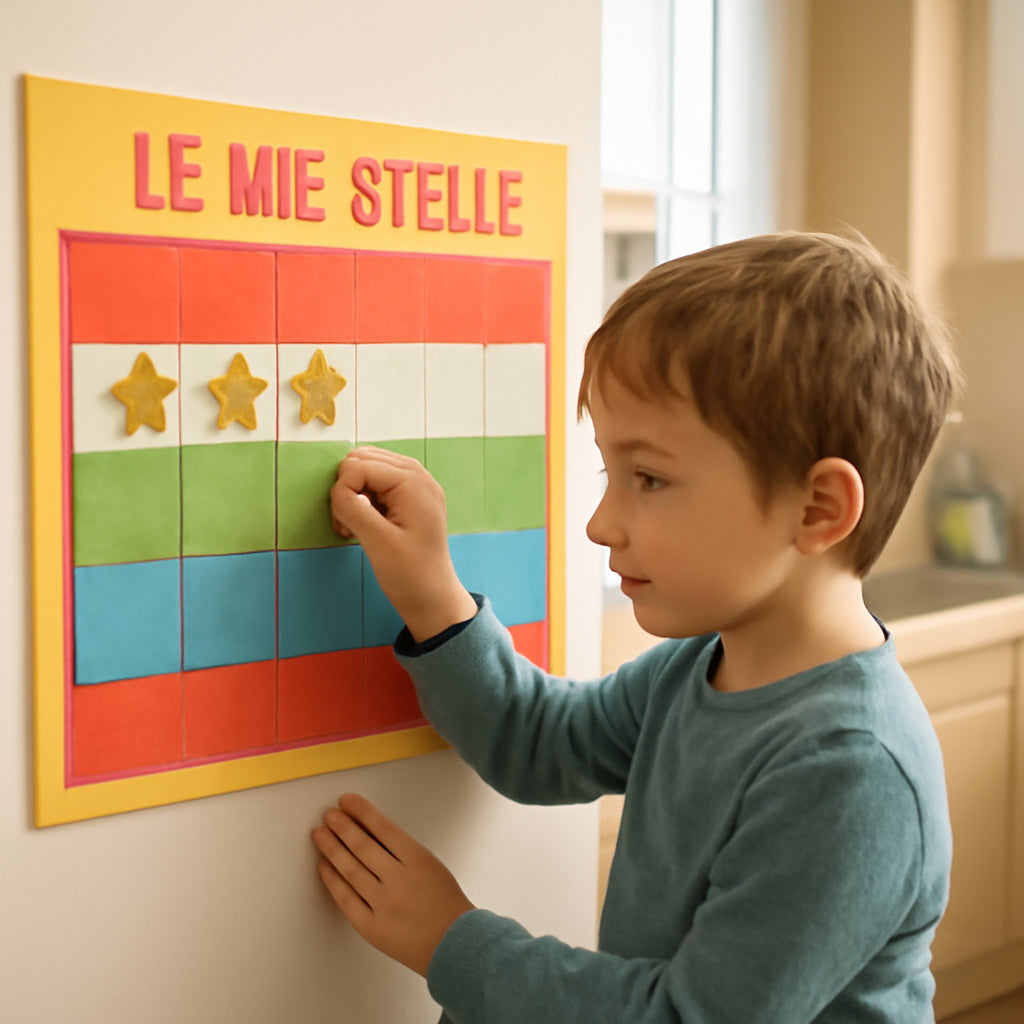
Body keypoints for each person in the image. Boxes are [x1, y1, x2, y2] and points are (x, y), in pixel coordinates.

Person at [312, 231, 959, 1023]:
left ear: (818, 508)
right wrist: (431, 592)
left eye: (649, 478)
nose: (600, 522)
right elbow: (538, 740)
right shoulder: (698, 665)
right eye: (609, 473)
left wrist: (453, 941)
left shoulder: (851, 769)